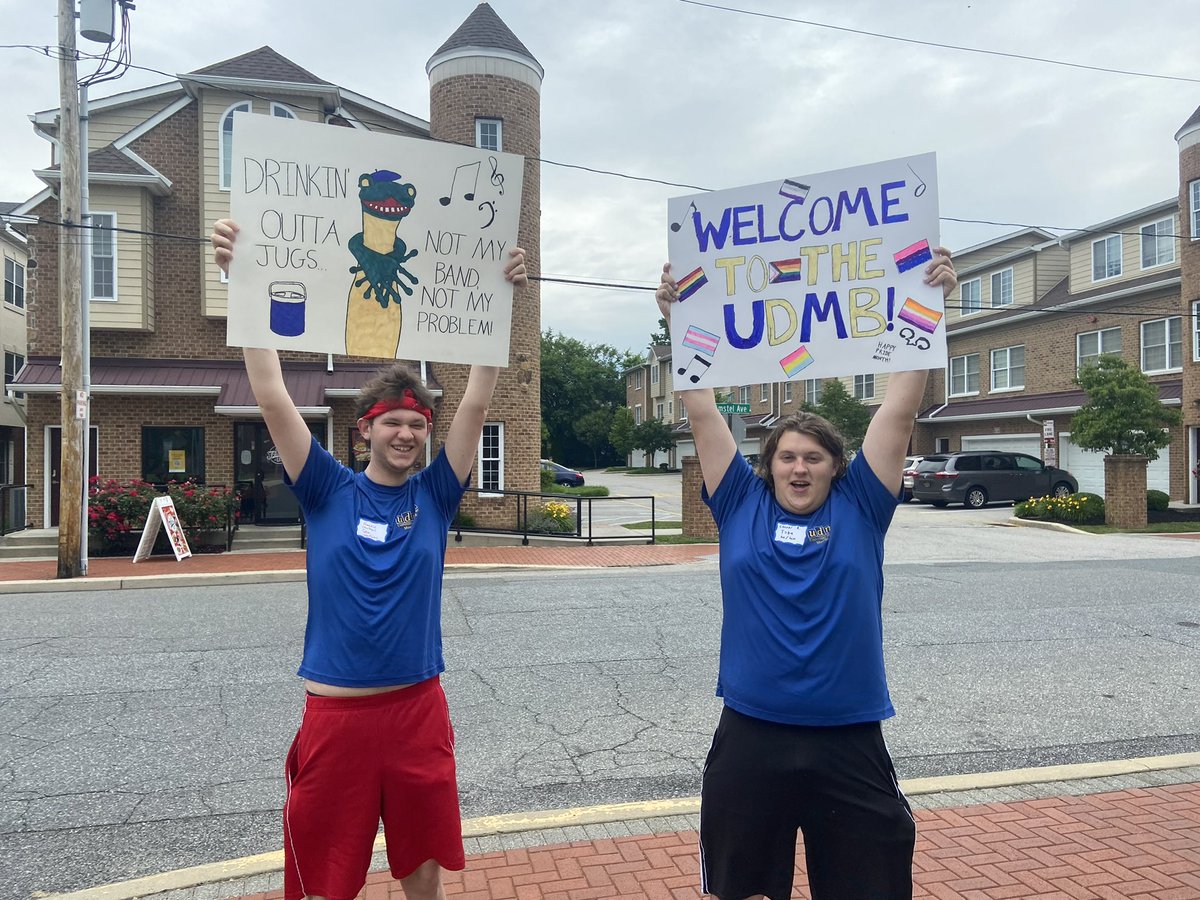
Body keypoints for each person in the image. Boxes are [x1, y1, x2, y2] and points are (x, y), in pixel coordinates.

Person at [211, 218, 526, 900]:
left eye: (417, 424)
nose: (408, 433)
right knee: (326, 876)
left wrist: (500, 306)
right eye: (394, 423)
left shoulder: (437, 496)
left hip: (417, 709)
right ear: (367, 430)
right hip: (338, 717)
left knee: (422, 871)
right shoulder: (325, 489)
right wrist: (242, 281)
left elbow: (474, 402)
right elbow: (270, 392)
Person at [656, 248, 956, 900]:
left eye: (814, 458)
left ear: (834, 467)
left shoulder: (862, 506)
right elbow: (702, 408)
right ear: (769, 466)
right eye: (787, 457)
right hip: (751, 736)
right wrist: (682, 319)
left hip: (847, 738)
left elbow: (899, 411)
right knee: (743, 890)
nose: (799, 468)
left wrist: (928, 306)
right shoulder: (739, 502)